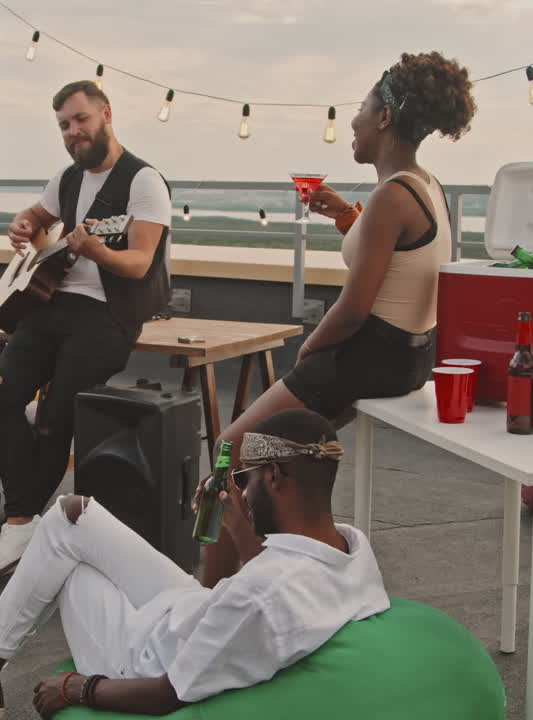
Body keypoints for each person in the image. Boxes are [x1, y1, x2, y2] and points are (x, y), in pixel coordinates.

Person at [0, 408, 388, 719]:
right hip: (198, 614)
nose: (241, 489)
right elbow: (260, 591)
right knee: (71, 516)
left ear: (276, 476)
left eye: (247, 479)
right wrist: (236, 527)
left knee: (66, 565)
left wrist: (78, 688)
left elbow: (170, 693)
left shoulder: (261, 595)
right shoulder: (351, 550)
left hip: (146, 657)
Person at [201, 51, 478, 587]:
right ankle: (272, 578)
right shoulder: (424, 186)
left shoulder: (391, 197)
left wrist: (309, 354)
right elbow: (399, 259)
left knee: (228, 451)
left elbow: (353, 309)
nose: (351, 121)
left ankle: (207, 596)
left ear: (384, 118)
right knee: (277, 459)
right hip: (409, 357)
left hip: (367, 355)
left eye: (360, 107)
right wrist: (345, 216)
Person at [0, 79, 173, 585]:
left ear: (106, 115)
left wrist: (97, 252)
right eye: (65, 126)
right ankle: (23, 523)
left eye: (81, 120)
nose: (74, 132)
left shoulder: (143, 181)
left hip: (109, 313)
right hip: (54, 305)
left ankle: (18, 524)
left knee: (54, 418)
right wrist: (22, 224)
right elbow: (38, 214)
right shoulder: (69, 177)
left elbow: (139, 262)